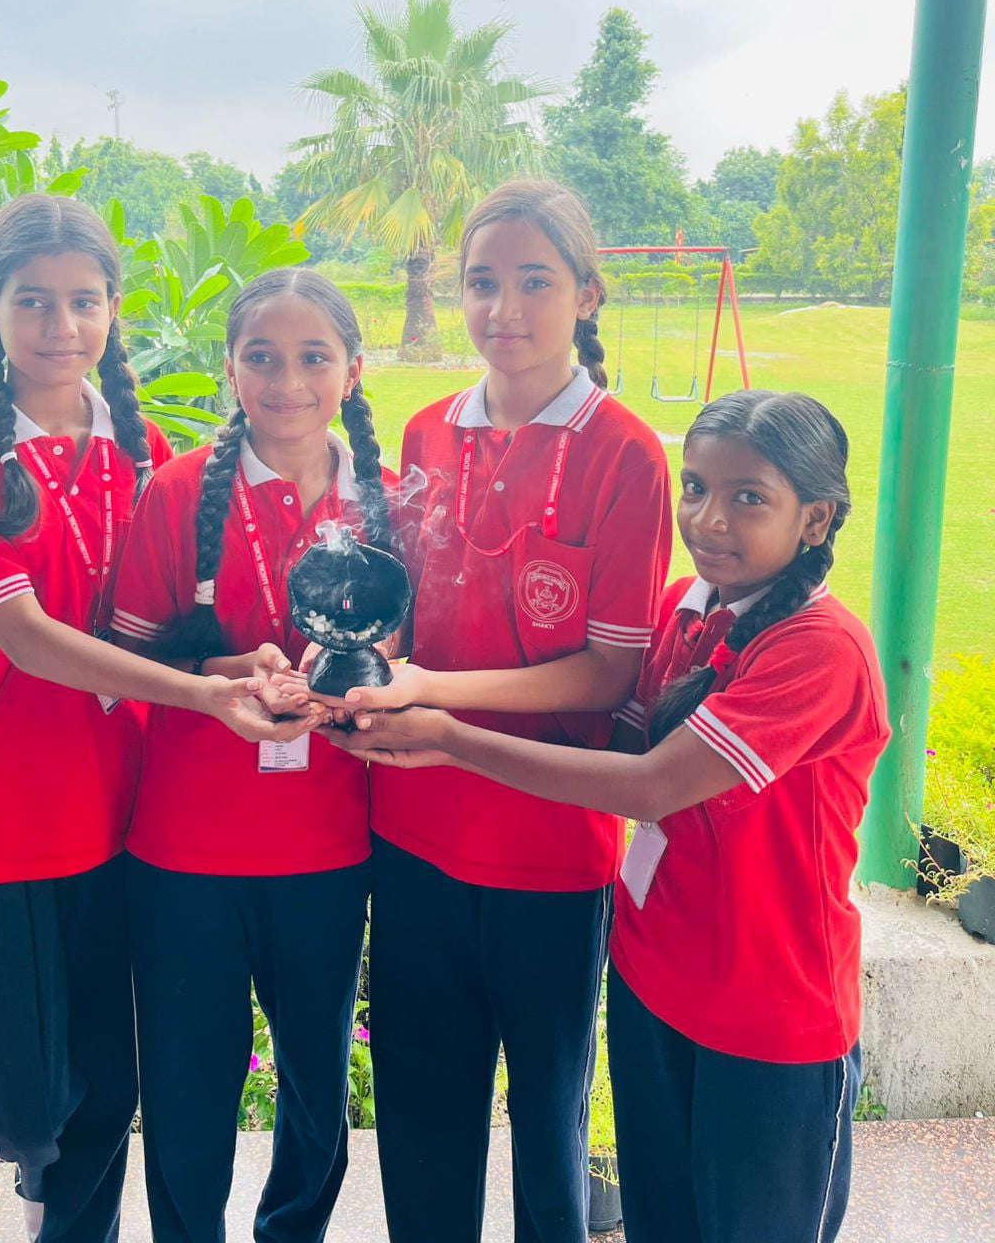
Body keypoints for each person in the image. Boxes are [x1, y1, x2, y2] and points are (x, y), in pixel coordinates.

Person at [327, 389, 890, 1243]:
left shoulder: (820, 649)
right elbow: (607, 744)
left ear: (816, 520)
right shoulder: (684, 611)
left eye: (749, 498)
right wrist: (370, 697)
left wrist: (446, 735)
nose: (709, 519)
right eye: (695, 488)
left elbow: (651, 786)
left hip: (769, 1010)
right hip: (655, 981)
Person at [0, 195, 310, 1243]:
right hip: (10, 814)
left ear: (114, 308)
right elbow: (26, 638)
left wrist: (227, 668)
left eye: (84, 301)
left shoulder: (146, 449)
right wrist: (206, 694)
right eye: (33, 301)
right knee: (25, 1100)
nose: (60, 326)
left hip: (133, 817)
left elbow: (153, 639)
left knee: (110, 1092)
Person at [298, 180, 672, 1243]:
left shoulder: (626, 454)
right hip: (412, 832)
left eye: (535, 282)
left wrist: (428, 694)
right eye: (482, 282)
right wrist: (354, 669)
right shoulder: (426, 432)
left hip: (549, 849)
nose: (504, 309)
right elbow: (404, 616)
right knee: (421, 1111)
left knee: (547, 1123)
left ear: (587, 295)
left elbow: (606, 674)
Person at [110, 268, 395, 1243]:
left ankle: (292, 1231)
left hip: (328, 848)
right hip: (184, 851)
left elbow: (413, 655)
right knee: (187, 1081)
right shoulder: (178, 493)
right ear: (230, 368)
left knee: (317, 1079)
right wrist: (225, 672)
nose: (288, 381)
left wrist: (362, 687)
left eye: (314, 357)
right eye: (262, 358)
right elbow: (130, 659)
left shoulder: (387, 502)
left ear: (352, 370)